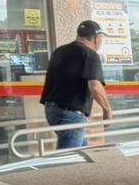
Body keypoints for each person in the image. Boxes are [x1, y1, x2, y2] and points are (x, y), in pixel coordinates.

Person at [40, 19, 113, 150]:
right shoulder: (90, 54)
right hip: (70, 114)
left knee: (83, 153)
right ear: (96, 39)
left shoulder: (59, 51)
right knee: (67, 157)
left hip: (52, 110)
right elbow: (95, 86)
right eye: (101, 38)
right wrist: (107, 111)